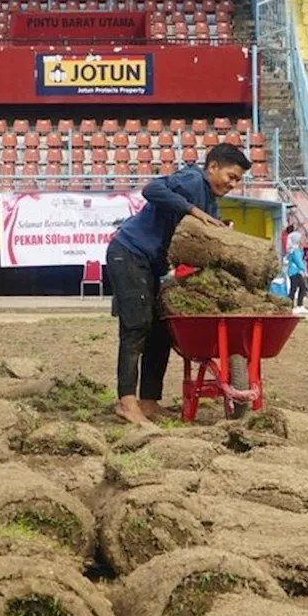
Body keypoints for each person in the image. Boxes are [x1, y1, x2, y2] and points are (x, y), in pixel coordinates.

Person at [107, 142, 251, 427]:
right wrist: (193, 211)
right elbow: (151, 190)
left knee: (161, 330)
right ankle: (126, 402)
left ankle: (148, 402)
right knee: (136, 327)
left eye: (238, 180)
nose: (233, 184)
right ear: (212, 167)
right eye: (231, 176)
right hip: (129, 253)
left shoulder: (210, 200)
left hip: (153, 263)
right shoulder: (192, 179)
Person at [286, 233, 308, 314]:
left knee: (301, 287)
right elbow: (299, 262)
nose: (303, 240)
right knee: (295, 288)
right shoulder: (296, 250)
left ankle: (299, 305)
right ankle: (291, 306)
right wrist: (304, 270)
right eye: (301, 239)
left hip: (295, 271)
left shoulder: (296, 249)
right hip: (294, 271)